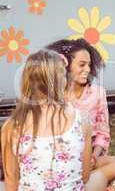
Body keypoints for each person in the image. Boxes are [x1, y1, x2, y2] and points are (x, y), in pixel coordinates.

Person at [1, 49, 92, 190]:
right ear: (60, 81)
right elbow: (85, 176)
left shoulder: (11, 126)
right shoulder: (82, 120)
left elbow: (11, 180)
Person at [46, 39, 115, 189]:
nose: (88, 69)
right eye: (82, 64)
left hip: (89, 157)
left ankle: (83, 182)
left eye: (89, 65)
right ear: (64, 65)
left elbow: (103, 133)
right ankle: (89, 183)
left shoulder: (97, 93)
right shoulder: (53, 95)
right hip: (59, 157)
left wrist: (94, 157)